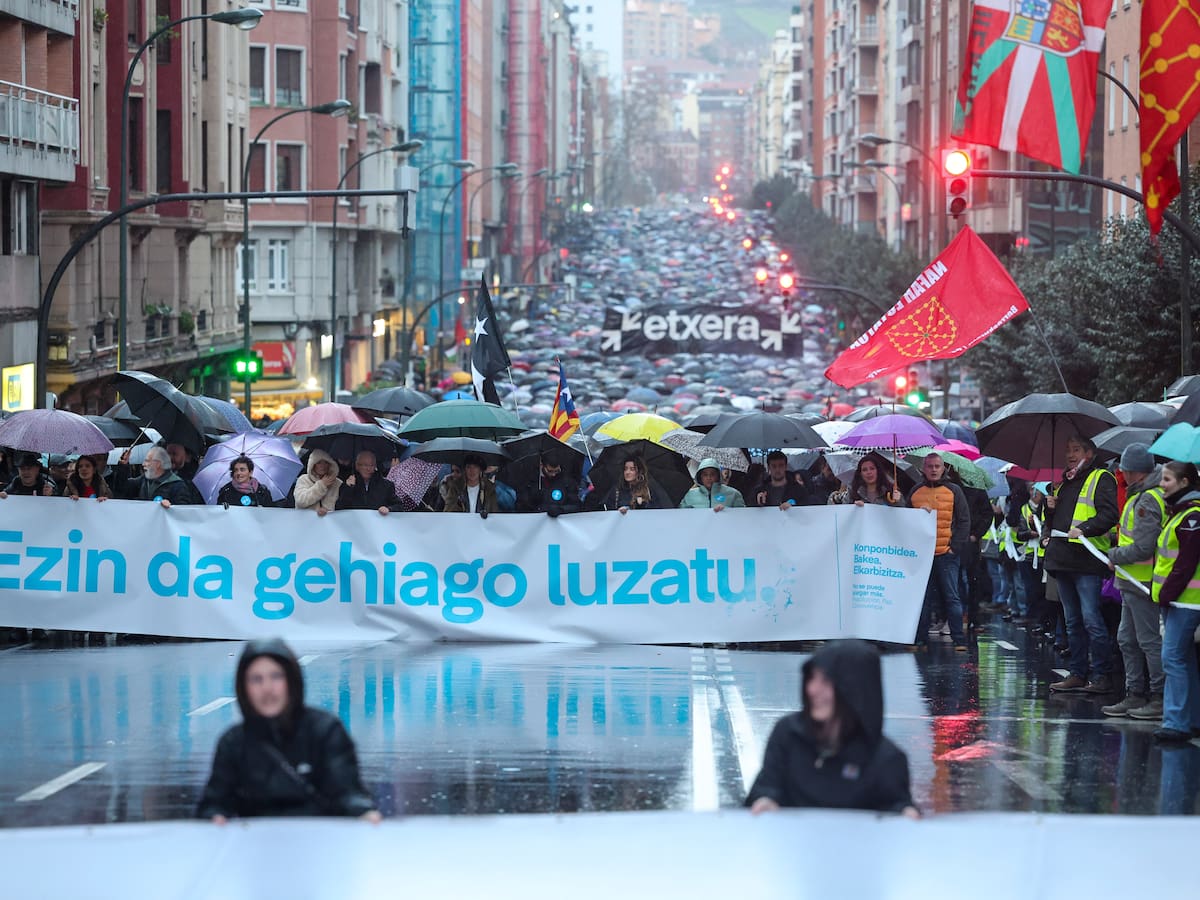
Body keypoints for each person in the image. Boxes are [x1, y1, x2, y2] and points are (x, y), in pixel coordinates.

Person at [196, 639, 380, 821]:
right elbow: (215, 803)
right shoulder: (233, 742)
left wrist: (363, 813)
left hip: (318, 841)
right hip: (255, 844)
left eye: (276, 676)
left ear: (292, 681)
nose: (267, 688)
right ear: (243, 687)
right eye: (256, 679)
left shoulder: (325, 730)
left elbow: (347, 792)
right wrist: (215, 817)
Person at [745, 640, 919, 817]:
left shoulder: (886, 759)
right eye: (812, 678)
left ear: (855, 688)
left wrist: (905, 813)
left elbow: (896, 810)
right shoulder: (788, 735)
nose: (813, 689)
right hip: (792, 841)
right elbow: (766, 787)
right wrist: (764, 801)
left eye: (826, 681)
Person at [1043, 435, 1119, 694]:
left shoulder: (1101, 477)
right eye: (1067, 450)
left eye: (1076, 450)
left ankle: (1102, 675)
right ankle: (1077, 673)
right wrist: (1049, 510)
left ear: (1090, 453)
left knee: (1091, 619)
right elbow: (1054, 522)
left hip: (1087, 561)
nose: (1070, 455)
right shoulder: (1064, 482)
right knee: (1072, 620)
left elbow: (1110, 514)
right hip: (1062, 560)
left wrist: (1085, 528)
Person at [1102, 444, 1166, 721]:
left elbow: (1143, 547)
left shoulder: (1148, 499)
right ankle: (1135, 694)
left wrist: (1114, 553)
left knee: (1148, 641)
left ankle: (1158, 697)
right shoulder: (1140, 496)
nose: (1121, 475)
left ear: (1132, 471)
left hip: (1141, 582)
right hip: (1130, 581)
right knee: (1127, 639)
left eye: (1123, 470)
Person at [1149, 460, 1200, 743]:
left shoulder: (1192, 516)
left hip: (1186, 600)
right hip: (1181, 599)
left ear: (1184, 483)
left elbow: (1185, 563)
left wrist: (1167, 593)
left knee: (1173, 659)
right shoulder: (1182, 513)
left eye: (1167, 479)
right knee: (1185, 660)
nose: (1161, 484)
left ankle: (1176, 722)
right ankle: (1191, 719)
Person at [908, 453, 971, 651]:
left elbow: (964, 520)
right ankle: (920, 638)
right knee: (923, 598)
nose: (934, 469)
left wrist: (955, 548)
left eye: (937, 466)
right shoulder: (915, 492)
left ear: (943, 468)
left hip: (946, 553)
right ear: (923, 469)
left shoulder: (954, 491)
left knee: (951, 596)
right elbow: (905, 521)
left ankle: (959, 639)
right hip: (923, 555)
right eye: (930, 466)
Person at [119, 445, 201, 507]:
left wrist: (171, 507)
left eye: (174, 454)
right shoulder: (145, 479)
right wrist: (123, 466)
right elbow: (123, 488)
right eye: (168, 453)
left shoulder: (178, 485)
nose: (170, 457)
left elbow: (184, 512)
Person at [516, 452, 582, 516]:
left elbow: (576, 505)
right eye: (550, 471)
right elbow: (521, 505)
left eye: (557, 471)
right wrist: (538, 508)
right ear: (542, 465)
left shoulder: (567, 482)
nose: (553, 474)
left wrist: (561, 509)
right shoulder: (530, 481)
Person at [828, 455, 904, 507]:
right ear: (860, 473)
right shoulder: (853, 491)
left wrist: (898, 501)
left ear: (878, 471)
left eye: (872, 468)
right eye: (864, 470)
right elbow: (844, 512)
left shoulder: (891, 491)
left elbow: (901, 516)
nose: (869, 472)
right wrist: (854, 508)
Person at [335, 450, 395, 515]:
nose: (368, 468)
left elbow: (398, 506)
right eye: (365, 465)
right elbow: (339, 508)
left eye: (371, 465)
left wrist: (389, 509)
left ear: (375, 466)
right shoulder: (347, 484)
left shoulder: (387, 485)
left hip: (378, 523)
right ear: (357, 466)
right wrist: (348, 488)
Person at [679, 458, 746, 511]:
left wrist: (727, 512)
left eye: (712, 474)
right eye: (705, 474)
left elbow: (742, 516)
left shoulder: (734, 494)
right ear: (700, 476)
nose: (709, 478)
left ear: (718, 476)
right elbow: (682, 517)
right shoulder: (689, 495)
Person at [293, 449, 342, 515]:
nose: (323, 466)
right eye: (319, 462)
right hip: (306, 522)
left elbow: (341, 506)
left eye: (326, 462)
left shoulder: (337, 483)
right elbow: (300, 501)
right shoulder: (303, 479)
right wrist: (322, 485)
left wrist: (328, 510)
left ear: (331, 464)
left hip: (329, 523)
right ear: (312, 464)